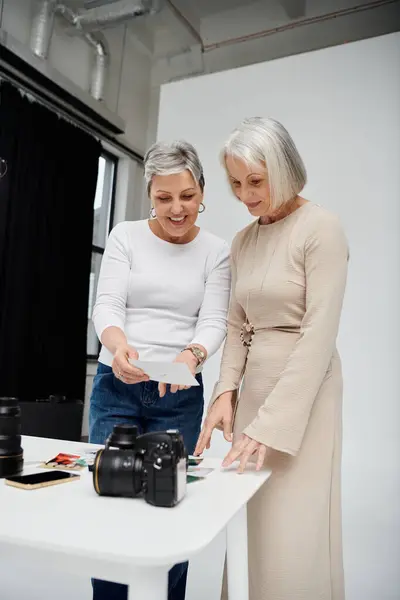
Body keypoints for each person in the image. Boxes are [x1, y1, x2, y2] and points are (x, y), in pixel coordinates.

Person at [195, 116, 349, 600]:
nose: (245, 195)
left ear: (282, 168)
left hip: (304, 394)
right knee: (250, 522)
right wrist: (225, 392)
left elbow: (318, 334)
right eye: (236, 184)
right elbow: (239, 326)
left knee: (292, 525)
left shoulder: (321, 228)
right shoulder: (244, 241)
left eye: (255, 181)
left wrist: (270, 424)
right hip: (255, 390)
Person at [89, 140, 231, 600]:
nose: (176, 209)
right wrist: (119, 345)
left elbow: (213, 321)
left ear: (202, 190)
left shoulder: (217, 251)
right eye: (163, 197)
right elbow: (107, 305)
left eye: (187, 196)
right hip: (117, 385)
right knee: (110, 508)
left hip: (179, 393)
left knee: (170, 509)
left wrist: (189, 357)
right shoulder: (125, 237)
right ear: (150, 193)